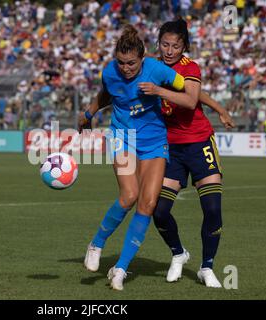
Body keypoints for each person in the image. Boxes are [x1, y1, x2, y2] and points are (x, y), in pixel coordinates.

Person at [79, 24, 186, 291]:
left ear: (143, 58)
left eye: (132, 63)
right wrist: (89, 114)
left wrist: (161, 91)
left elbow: (185, 87)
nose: (126, 68)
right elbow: (106, 94)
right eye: (122, 63)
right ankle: (96, 244)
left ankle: (120, 269)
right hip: (122, 137)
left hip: (155, 141)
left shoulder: (156, 69)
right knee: (129, 196)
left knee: (147, 204)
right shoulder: (110, 72)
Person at [141, 19, 235, 288]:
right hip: (170, 147)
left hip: (200, 142)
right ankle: (178, 253)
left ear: (184, 47)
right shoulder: (150, 67)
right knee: (158, 211)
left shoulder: (189, 67)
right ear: (158, 44)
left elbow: (192, 97)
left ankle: (207, 267)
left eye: (176, 46)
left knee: (213, 208)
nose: (170, 50)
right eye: (165, 45)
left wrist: (159, 91)